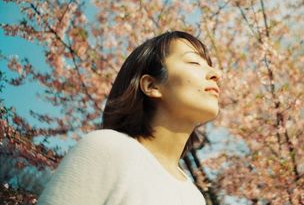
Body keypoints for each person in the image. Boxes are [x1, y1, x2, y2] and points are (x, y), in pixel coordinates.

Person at [37, 30, 221, 205]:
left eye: (210, 66)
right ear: (151, 85)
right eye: (194, 63)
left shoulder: (194, 197)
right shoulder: (107, 148)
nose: (216, 74)